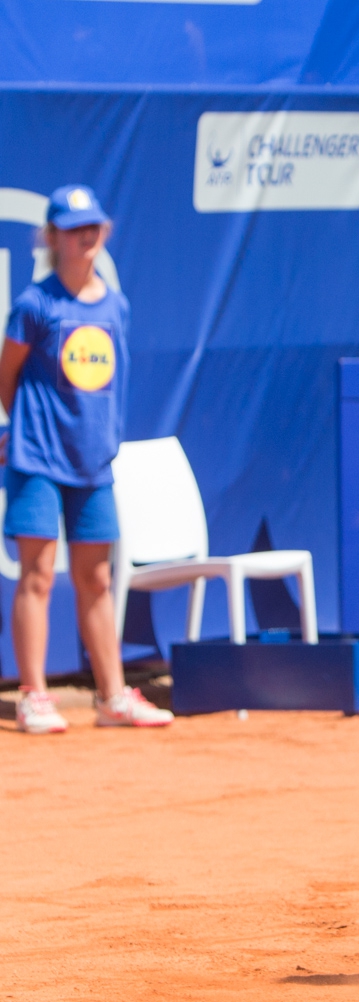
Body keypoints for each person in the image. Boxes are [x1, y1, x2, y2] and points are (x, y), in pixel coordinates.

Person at [0, 184, 172, 733]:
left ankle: (112, 696)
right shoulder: (34, 305)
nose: (87, 236)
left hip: (93, 464)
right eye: (74, 229)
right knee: (38, 577)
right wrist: (27, 428)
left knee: (96, 579)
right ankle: (34, 696)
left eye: (93, 226)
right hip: (38, 460)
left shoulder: (115, 306)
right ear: (52, 238)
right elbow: (7, 377)